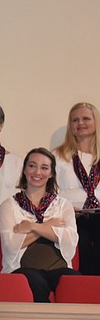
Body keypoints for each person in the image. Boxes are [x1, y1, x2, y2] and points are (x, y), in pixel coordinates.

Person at [0, 148, 79, 302]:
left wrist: (32, 227)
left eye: (44, 168)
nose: (37, 172)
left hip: (59, 268)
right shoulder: (9, 205)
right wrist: (49, 227)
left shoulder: (63, 205)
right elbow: (10, 245)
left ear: (51, 173)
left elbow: (70, 240)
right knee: (35, 282)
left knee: (75, 281)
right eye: (32, 166)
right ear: (24, 170)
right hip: (23, 269)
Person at [53, 102, 100, 275]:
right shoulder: (59, 156)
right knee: (82, 240)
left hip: (99, 215)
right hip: (72, 216)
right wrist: (64, 209)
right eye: (75, 120)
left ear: (96, 122)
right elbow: (51, 192)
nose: (80, 123)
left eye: (86, 118)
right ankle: (86, 285)